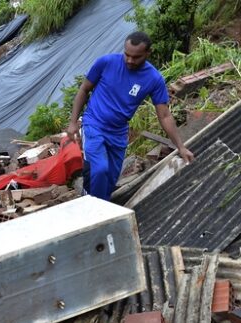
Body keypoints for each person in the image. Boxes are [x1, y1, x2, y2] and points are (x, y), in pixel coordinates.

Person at [66, 31, 194, 201]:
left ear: (148, 53)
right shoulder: (106, 63)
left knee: (110, 180)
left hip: (118, 133)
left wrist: (180, 146)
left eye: (136, 57)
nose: (129, 60)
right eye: (126, 55)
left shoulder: (154, 79)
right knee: (100, 169)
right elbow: (84, 89)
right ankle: (92, 210)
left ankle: (96, 202)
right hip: (94, 125)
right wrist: (73, 122)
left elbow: (164, 115)